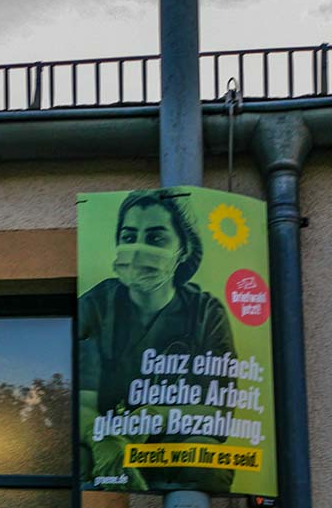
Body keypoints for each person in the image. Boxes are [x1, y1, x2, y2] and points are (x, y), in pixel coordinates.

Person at [79, 188, 236, 491]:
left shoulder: (205, 313)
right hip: (112, 439)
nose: (138, 250)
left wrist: (157, 416)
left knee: (209, 460)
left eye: (155, 238)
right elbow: (81, 400)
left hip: (170, 445)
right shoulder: (97, 306)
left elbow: (219, 412)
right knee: (80, 459)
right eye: (129, 237)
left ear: (184, 249)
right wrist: (102, 439)